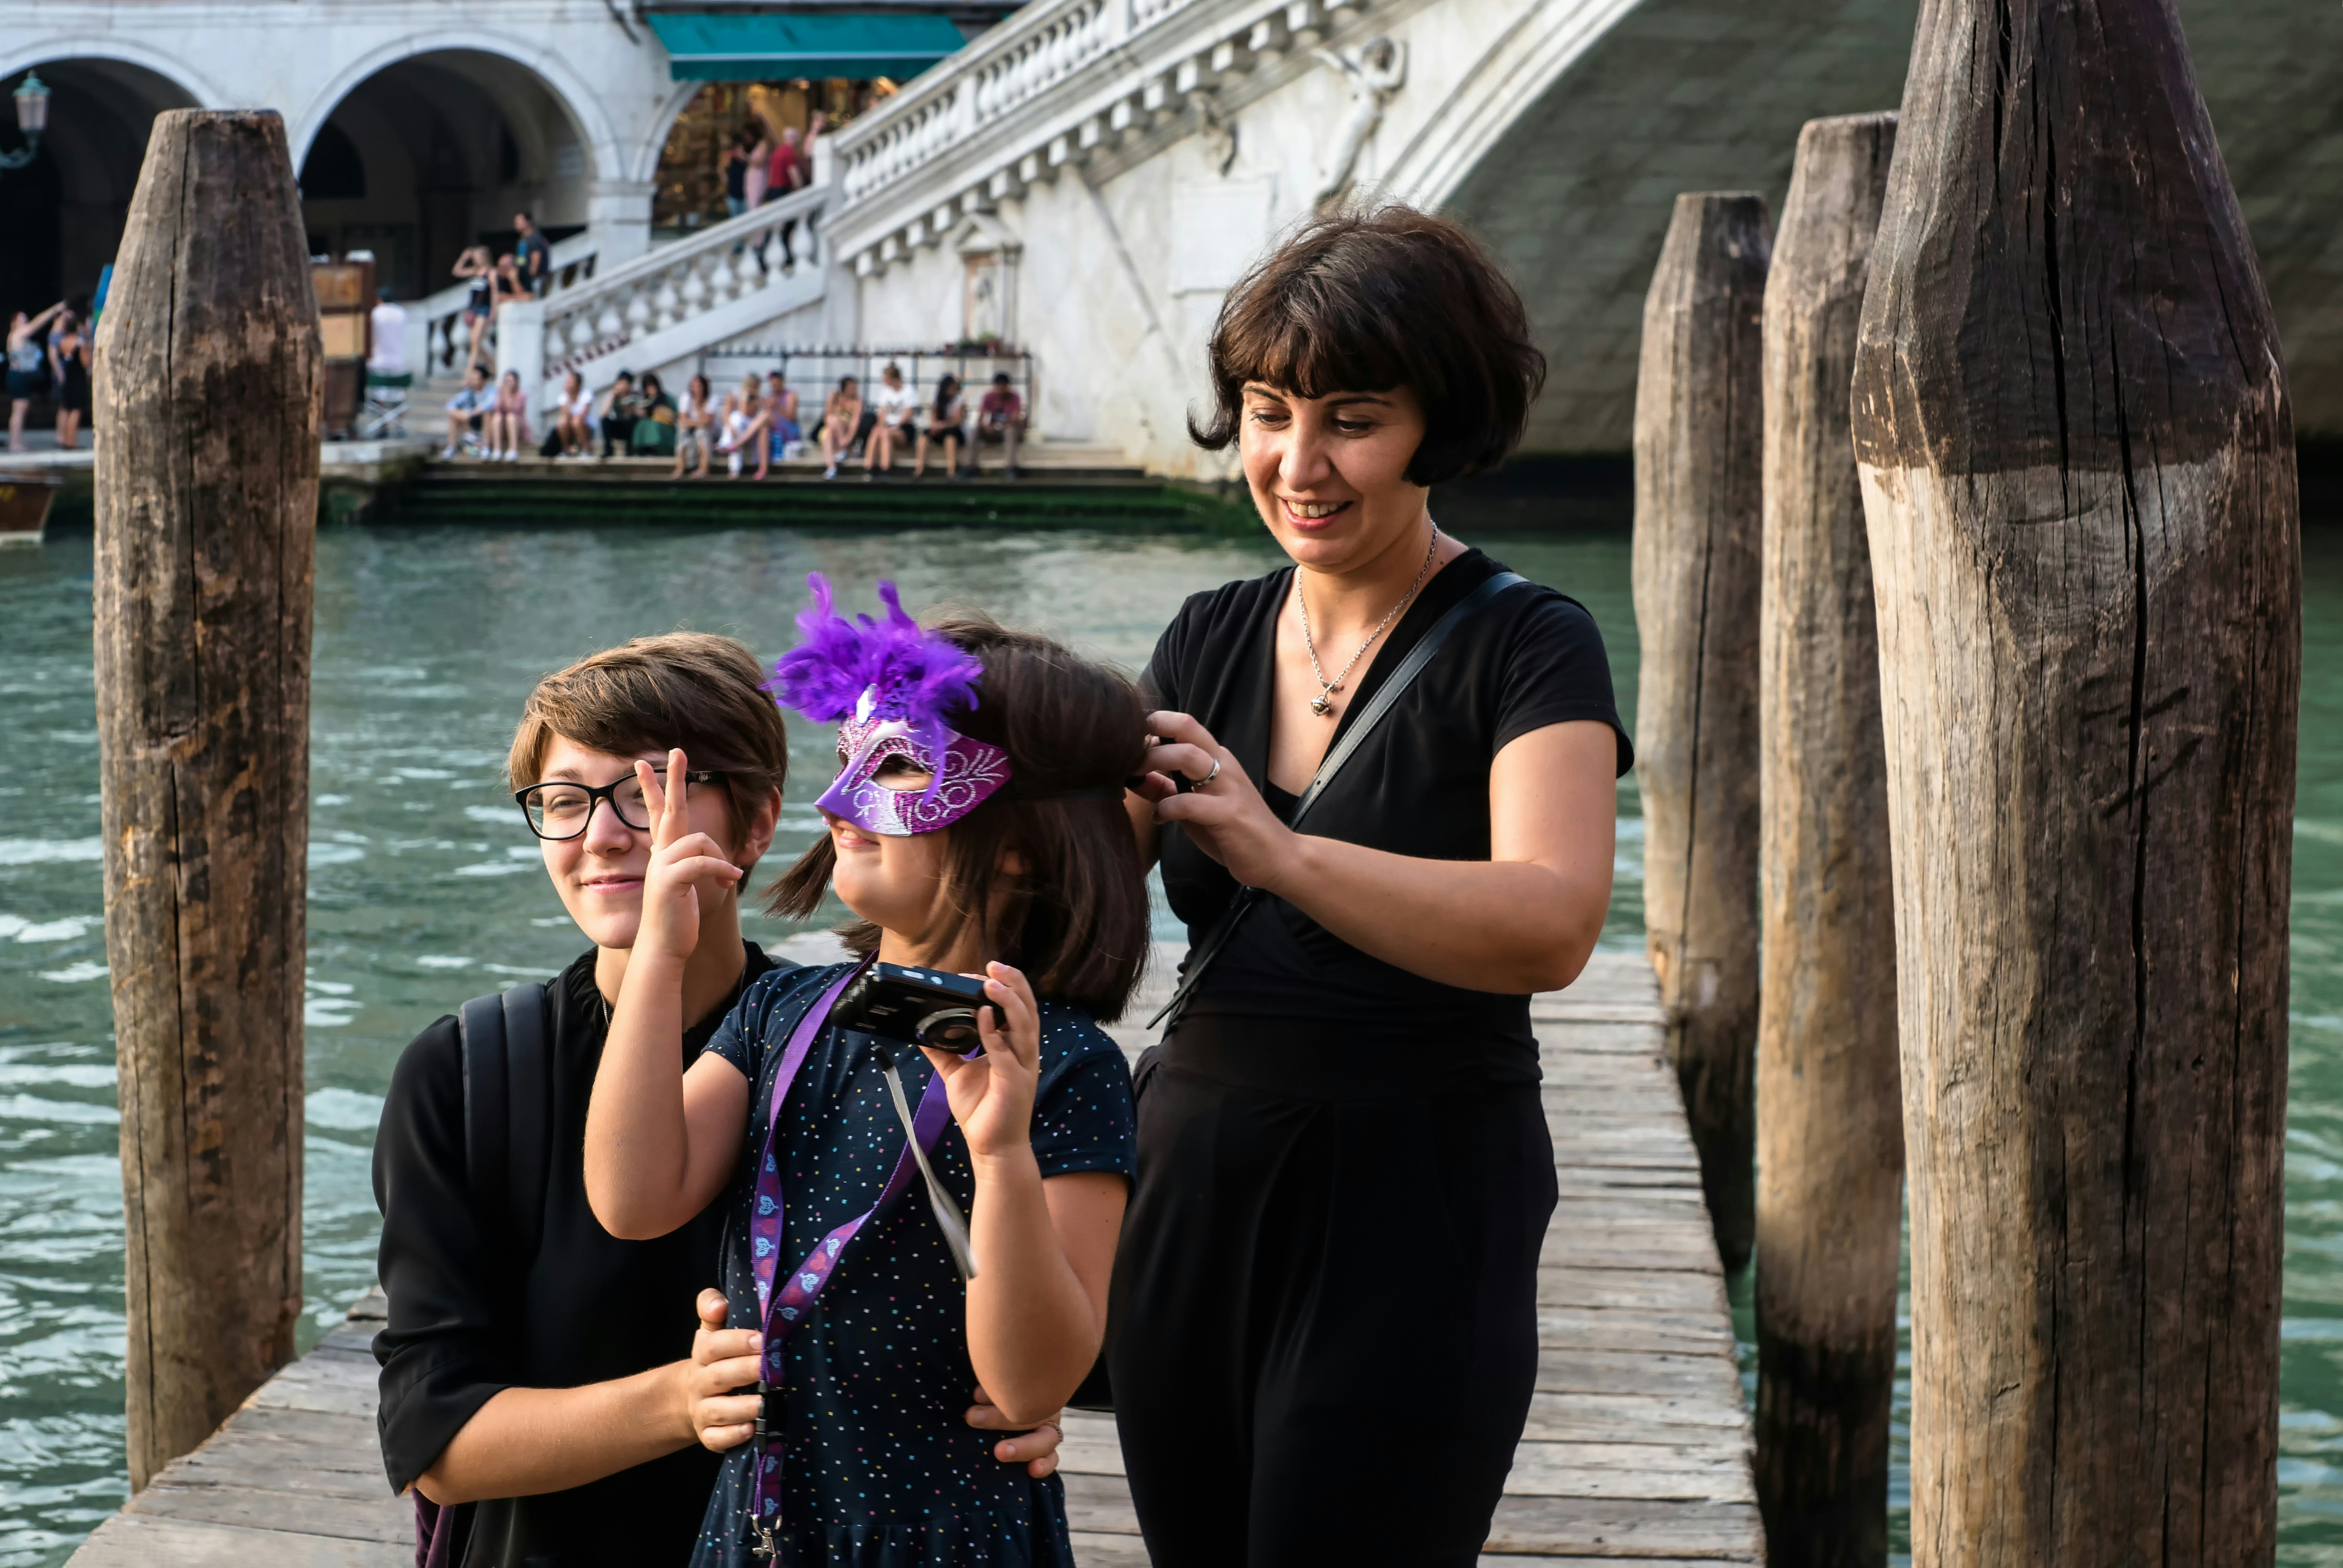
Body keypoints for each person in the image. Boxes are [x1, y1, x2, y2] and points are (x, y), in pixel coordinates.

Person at [1108, 206, 1633, 1567]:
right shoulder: (1206, 634)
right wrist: (943, 762)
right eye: (1270, 411)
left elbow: (1552, 920)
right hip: (1193, 1185)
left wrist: (1277, 854)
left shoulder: (1532, 644)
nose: (1298, 462)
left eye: (1353, 417)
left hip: (1419, 1195)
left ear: (1438, 423)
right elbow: (1083, 901)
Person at [373, 635, 1077, 1568]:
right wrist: (679, 1402)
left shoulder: (840, 1043)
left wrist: (1006, 1410)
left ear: (756, 826)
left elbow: (997, 1321)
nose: (604, 834)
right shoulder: (467, 1071)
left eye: (645, 792)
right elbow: (437, 1443)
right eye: (562, 801)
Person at [581, 582, 1145, 1568]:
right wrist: (659, 963)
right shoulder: (780, 1011)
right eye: (846, 757)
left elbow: (1029, 1386)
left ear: (1016, 846)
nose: (836, 801)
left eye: (893, 766)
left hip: (945, 1537)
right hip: (760, 1521)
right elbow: (633, 1196)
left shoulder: (1064, 1065)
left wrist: (1001, 1152)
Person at [6, 302, 64, 451]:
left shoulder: (20, 337)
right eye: (22, 320)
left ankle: (17, 441)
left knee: (22, 408)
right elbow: (37, 323)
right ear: (14, 323)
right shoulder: (17, 335)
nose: (25, 322)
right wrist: (54, 310)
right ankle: (14, 443)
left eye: (26, 319)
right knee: (19, 409)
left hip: (21, 377)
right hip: (17, 376)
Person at [49, 307, 90, 451]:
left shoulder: (62, 342)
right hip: (78, 379)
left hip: (68, 378)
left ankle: (66, 440)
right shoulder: (80, 343)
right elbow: (86, 364)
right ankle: (71, 442)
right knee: (76, 411)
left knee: (66, 410)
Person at [865, 362, 915, 478]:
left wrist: (895, 425)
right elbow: (882, 413)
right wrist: (882, 425)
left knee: (886, 434)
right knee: (876, 431)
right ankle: (869, 467)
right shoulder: (885, 393)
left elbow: (908, 413)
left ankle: (886, 469)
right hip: (888, 426)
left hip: (903, 428)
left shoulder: (909, 391)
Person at [716, 374, 768, 480]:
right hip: (737, 427)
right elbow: (728, 415)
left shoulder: (759, 397)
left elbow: (751, 414)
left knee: (764, 424)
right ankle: (735, 469)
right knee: (736, 419)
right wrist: (731, 428)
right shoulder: (735, 393)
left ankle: (734, 446)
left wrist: (755, 398)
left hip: (750, 429)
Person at [914, 372, 967, 479]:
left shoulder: (960, 401)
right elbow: (933, 419)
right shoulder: (937, 400)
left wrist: (943, 426)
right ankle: (920, 469)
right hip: (939, 429)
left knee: (950, 438)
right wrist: (936, 426)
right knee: (923, 437)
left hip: (954, 430)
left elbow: (958, 422)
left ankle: (951, 471)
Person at [452, 246, 495, 375]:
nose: (476, 260)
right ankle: (493, 366)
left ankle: (469, 373)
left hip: (484, 309)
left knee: (476, 342)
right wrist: (464, 258)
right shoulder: (475, 271)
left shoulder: (491, 272)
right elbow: (457, 272)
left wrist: (493, 312)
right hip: (473, 309)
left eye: (477, 257)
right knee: (475, 343)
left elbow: (494, 293)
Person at [974, 372, 1024, 479]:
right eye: (998, 386)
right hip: (992, 432)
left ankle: (1012, 468)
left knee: (1010, 431)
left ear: (1008, 386)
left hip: (1008, 431)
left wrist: (997, 426)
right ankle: (969, 466)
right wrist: (985, 426)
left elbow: (1015, 419)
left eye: (1003, 386)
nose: (1001, 389)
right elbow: (980, 419)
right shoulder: (989, 397)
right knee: (973, 432)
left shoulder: (1015, 397)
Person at [817, 374, 866, 480]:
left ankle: (831, 468)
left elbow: (855, 422)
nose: (855, 390)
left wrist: (848, 438)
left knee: (835, 423)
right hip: (833, 429)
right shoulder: (834, 397)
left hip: (847, 432)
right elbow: (827, 417)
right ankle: (835, 461)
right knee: (833, 422)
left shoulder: (858, 401)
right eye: (852, 387)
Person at [440, 365, 493, 460]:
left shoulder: (491, 391)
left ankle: (486, 447)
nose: (472, 381)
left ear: (484, 380)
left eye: (475, 379)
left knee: (487, 414)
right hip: (470, 421)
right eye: (471, 379)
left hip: (487, 422)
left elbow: (489, 405)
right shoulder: (469, 392)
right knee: (452, 415)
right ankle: (452, 446)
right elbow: (451, 405)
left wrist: (471, 413)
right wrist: (461, 414)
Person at [674, 373, 716, 478]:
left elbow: (708, 422)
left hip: (710, 431)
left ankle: (704, 469)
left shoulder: (712, 399)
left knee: (702, 433)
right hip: (691, 429)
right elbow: (683, 420)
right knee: (683, 433)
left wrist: (698, 405)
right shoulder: (686, 398)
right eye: (694, 386)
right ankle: (680, 468)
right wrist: (698, 422)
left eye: (699, 386)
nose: (696, 389)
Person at [598, 371, 646, 460]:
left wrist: (632, 409)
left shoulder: (636, 396)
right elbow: (603, 414)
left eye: (625, 384)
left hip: (631, 428)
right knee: (605, 421)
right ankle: (609, 449)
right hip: (618, 426)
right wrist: (612, 396)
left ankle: (630, 450)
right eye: (620, 383)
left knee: (632, 420)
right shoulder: (613, 396)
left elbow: (643, 414)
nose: (622, 386)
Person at [485, 368, 529, 462]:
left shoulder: (521, 395)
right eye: (506, 381)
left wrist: (508, 395)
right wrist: (503, 394)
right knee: (497, 417)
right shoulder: (500, 392)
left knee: (511, 417)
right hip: (503, 426)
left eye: (510, 381)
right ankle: (497, 450)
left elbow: (513, 410)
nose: (507, 383)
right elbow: (497, 408)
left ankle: (513, 450)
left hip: (517, 426)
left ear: (516, 382)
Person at [630, 373, 678, 458]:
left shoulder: (667, 398)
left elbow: (674, 416)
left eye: (652, 385)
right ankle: (643, 448)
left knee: (654, 425)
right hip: (650, 425)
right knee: (642, 424)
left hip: (665, 427)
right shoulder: (645, 401)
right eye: (647, 387)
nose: (650, 389)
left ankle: (655, 448)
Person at [555, 370, 596, 458]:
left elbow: (584, 415)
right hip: (571, 426)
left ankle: (586, 450)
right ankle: (566, 450)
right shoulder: (564, 396)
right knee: (562, 422)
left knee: (577, 421)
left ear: (578, 384)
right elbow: (565, 415)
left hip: (586, 426)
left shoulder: (587, 394)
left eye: (571, 381)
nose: (568, 383)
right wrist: (569, 398)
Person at [761, 370, 800, 462]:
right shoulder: (769, 396)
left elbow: (792, 417)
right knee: (764, 426)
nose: (774, 387)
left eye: (776, 384)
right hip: (774, 427)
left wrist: (778, 406)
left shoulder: (790, 395)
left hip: (789, 428)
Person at [514, 212, 551, 298]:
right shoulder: (523, 240)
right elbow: (520, 259)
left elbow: (536, 257)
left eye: (518, 222)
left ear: (527, 222)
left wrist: (532, 275)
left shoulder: (534, 238)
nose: (516, 225)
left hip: (535, 280)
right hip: (524, 279)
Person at [722, 132, 751, 219]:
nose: (738, 149)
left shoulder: (747, 157)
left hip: (745, 195)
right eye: (737, 147)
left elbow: (753, 166)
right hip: (733, 194)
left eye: (741, 146)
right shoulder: (730, 157)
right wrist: (726, 180)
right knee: (734, 220)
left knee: (746, 220)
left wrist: (744, 158)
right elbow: (721, 170)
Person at [743, 125, 772, 211]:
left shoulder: (763, 144)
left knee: (756, 206)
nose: (747, 138)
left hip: (758, 179)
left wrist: (745, 158)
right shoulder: (753, 147)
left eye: (749, 135)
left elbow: (760, 163)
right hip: (751, 180)